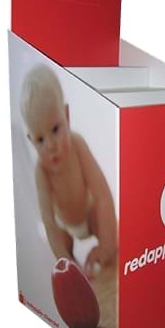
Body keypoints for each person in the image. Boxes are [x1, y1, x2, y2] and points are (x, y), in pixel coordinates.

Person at [21, 64, 117, 278]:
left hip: (88, 214)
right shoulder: (41, 172)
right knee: (59, 237)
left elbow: (102, 195)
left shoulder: (77, 144)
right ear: (31, 140)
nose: (50, 146)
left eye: (55, 129)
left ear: (66, 115)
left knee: (104, 222)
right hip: (65, 226)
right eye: (40, 139)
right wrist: (68, 266)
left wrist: (108, 245)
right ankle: (73, 268)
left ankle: (106, 250)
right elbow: (49, 222)